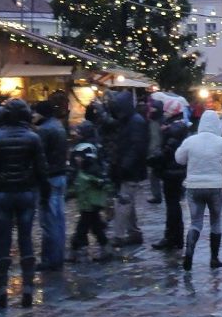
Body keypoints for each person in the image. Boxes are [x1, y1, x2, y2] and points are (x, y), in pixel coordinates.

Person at [0, 100, 49, 308]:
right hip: (25, 192)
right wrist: (45, 192)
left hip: (3, 193)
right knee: (25, 238)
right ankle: (28, 288)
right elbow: (41, 169)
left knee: (3, 240)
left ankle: (1, 289)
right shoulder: (33, 138)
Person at [175, 107, 222, 270]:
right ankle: (214, 258)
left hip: (194, 186)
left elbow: (179, 159)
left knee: (196, 222)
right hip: (215, 187)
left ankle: (189, 252)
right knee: (215, 221)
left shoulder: (191, 141)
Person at [106, 91, 149, 247]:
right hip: (128, 168)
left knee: (123, 202)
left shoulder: (134, 122)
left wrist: (124, 165)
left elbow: (137, 148)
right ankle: (134, 232)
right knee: (127, 202)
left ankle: (119, 235)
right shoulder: (130, 120)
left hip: (130, 170)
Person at [32, 100, 69, 272]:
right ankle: (58, 256)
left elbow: (40, 158)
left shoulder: (44, 130)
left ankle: (51, 259)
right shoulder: (58, 125)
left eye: (35, 112)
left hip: (49, 179)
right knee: (59, 219)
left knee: (49, 221)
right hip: (60, 176)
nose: (33, 115)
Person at [69, 121, 114, 262]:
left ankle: (75, 249)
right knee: (93, 223)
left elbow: (81, 172)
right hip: (91, 196)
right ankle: (105, 248)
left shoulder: (85, 151)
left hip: (88, 196)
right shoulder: (95, 147)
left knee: (85, 223)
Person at [150, 114, 189, 251]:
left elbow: (165, 153)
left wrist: (154, 159)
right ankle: (176, 237)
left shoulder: (172, 134)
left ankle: (171, 237)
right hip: (177, 173)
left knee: (172, 206)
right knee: (174, 205)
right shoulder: (179, 130)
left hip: (171, 173)